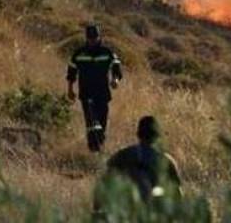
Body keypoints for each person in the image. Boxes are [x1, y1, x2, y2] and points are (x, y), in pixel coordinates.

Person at [67, 24, 123, 152]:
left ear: (99, 37)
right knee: (92, 121)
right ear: (86, 38)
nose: (92, 41)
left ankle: (100, 145)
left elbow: (116, 67)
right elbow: (71, 72)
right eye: (90, 38)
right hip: (86, 93)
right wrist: (70, 89)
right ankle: (93, 148)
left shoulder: (107, 52)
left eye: (95, 38)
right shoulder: (79, 54)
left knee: (102, 122)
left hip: (103, 93)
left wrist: (115, 79)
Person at [105, 116, 182, 201]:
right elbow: (177, 194)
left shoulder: (123, 155)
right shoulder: (166, 160)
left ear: (138, 134)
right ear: (157, 136)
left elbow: (105, 183)